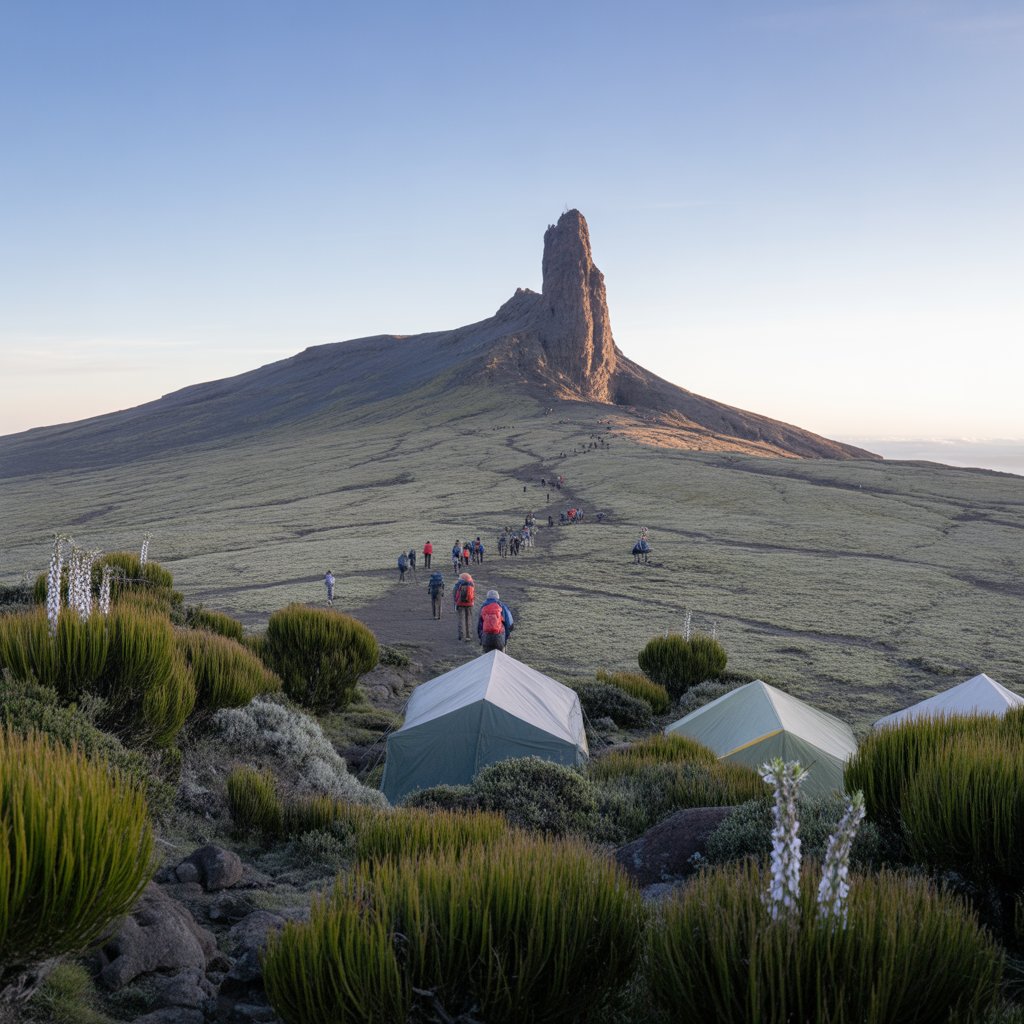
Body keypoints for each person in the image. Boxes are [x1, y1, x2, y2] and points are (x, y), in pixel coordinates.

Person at [453, 572, 475, 641]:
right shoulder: (471, 584)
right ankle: (469, 635)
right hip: (469, 604)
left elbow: (454, 595)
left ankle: (461, 635)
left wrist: (455, 603)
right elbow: (473, 595)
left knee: (461, 619)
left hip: (460, 604)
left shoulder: (458, 584)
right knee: (469, 619)